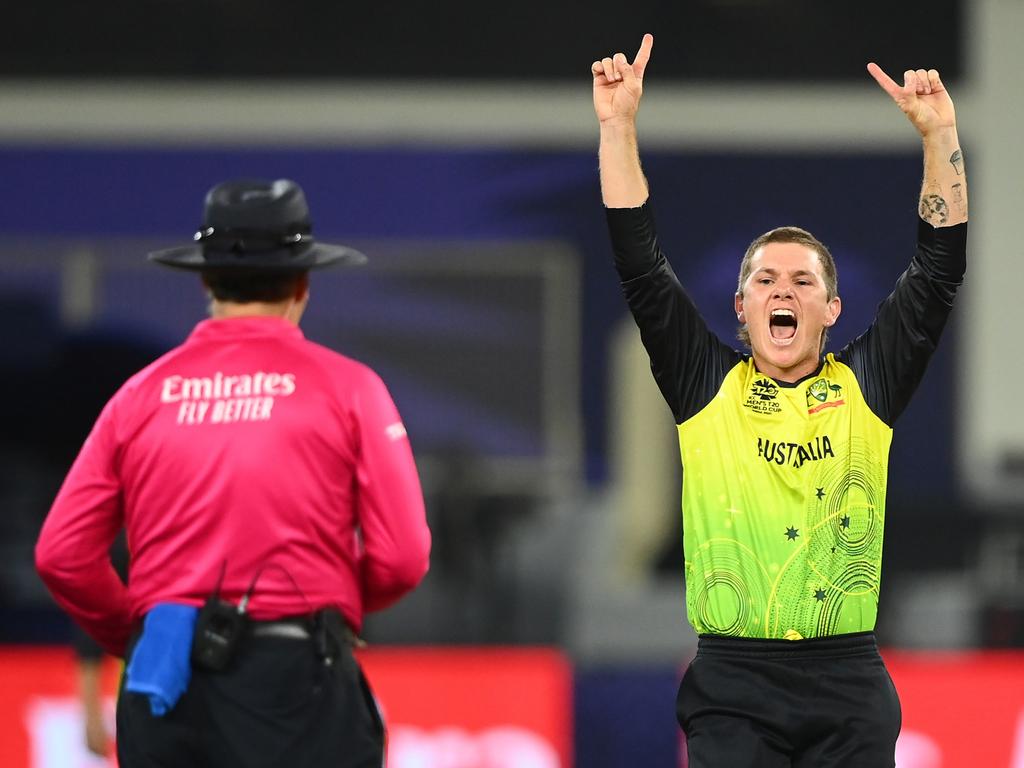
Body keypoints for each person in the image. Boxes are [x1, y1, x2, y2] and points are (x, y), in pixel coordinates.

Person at [592, 35, 967, 767]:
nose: (784, 290)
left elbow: (938, 271)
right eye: (766, 280)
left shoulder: (869, 386)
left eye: (802, 281)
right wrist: (617, 127)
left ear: (832, 308)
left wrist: (941, 136)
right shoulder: (706, 386)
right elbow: (640, 266)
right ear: (740, 307)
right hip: (733, 688)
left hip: (849, 685)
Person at [35, 178, 432, 767]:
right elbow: (403, 557)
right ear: (303, 283)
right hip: (296, 681)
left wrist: (139, 633)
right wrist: (334, 602)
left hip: (163, 683)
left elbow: (61, 554)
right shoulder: (350, 389)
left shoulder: (139, 396)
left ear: (205, 279)